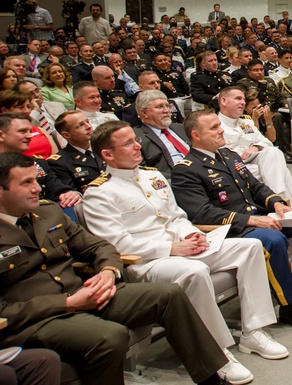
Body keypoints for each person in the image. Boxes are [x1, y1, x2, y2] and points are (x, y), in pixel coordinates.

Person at [81, 121, 289, 385]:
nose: (137, 146)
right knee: (195, 271)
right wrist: (171, 248)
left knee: (249, 247)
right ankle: (217, 352)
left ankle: (253, 331)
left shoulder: (152, 176)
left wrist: (191, 234)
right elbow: (116, 244)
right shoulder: (99, 193)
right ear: (107, 154)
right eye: (128, 143)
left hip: (181, 247)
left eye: (136, 140)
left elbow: (176, 217)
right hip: (147, 262)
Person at [0, 151, 229, 385]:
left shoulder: (47, 212)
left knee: (169, 294)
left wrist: (108, 272)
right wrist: (68, 303)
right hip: (38, 319)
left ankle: (211, 379)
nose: (38, 188)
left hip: (85, 294)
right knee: (110, 337)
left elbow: (100, 247)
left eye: (36, 180)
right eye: (26, 183)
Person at [170, 109, 292, 331]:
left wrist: (276, 203)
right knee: (273, 239)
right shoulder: (186, 170)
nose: (221, 131)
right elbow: (202, 213)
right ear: (196, 135)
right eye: (214, 128)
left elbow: (256, 188)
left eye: (219, 125)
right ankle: (289, 305)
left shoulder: (228, 155)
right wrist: (252, 221)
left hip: (259, 217)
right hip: (232, 229)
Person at [217, 86, 292, 204]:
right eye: (238, 99)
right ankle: (285, 206)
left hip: (255, 160)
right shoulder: (215, 124)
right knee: (282, 172)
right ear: (224, 101)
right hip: (234, 166)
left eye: (243, 100)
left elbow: (267, 142)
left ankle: (277, 201)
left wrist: (255, 147)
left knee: (274, 152)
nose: (242, 102)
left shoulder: (246, 123)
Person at [132, 90, 190, 178]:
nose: (166, 110)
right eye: (159, 107)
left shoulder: (182, 127)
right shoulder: (136, 136)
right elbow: (142, 172)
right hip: (175, 181)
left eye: (167, 106)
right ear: (144, 113)